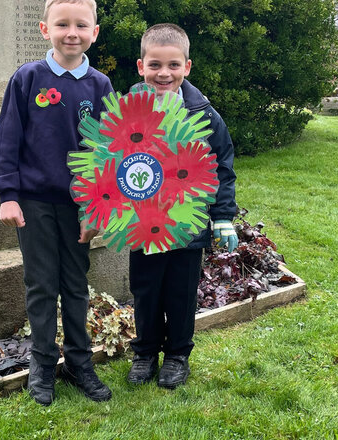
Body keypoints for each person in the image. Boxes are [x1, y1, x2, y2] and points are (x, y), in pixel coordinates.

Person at [0, 0, 114, 406]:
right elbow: (7, 138)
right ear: (45, 29)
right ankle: (42, 364)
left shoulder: (101, 86)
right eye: (62, 24)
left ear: (94, 32)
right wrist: (8, 194)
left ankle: (79, 363)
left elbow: (108, 152)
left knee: (76, 285)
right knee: (42, 285)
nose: (71, 32)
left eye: (81, 25)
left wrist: (97, 207)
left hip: (79, 206)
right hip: (35, 202)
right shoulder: (27, 79)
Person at [127, 23, 238, 389]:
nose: (164, 73)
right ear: (141, 66)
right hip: (143, 223)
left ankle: (177, 356)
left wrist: (222, 216)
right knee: (146, 291)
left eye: (173, 65)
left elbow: (222, 165)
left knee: (180, 292)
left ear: (187, 67)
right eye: (155, 65)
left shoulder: (205, 116)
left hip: (188, 224)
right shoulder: (126, 112)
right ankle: (144, 354)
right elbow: (108, 162)